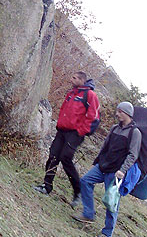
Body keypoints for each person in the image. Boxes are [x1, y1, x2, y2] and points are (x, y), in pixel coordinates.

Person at [72, 101, 142, 237]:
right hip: (102, 166)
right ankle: (88, 213)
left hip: (116, 172)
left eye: (120, 112)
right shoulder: (115, 128)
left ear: (127, 113)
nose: (117, 114)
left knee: (111, 201)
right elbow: (105, 145)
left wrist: (122, 171)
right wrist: (98, 161)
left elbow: (133, 155)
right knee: (85, 181)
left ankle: (106, 233)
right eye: (117, 111)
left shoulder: (135, 132)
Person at [34, 71, 100, 206]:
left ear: (82, 80)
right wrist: (59, 125)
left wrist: (81, 131)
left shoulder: (90, 95)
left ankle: (78, 192)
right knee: (53, 156)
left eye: (74, 78)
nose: (71, 79)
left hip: (75, 133)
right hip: (62, 131)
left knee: (65, 158)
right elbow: (64, 110)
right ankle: (46, 186)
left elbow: (94, 117)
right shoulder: (71, 93)